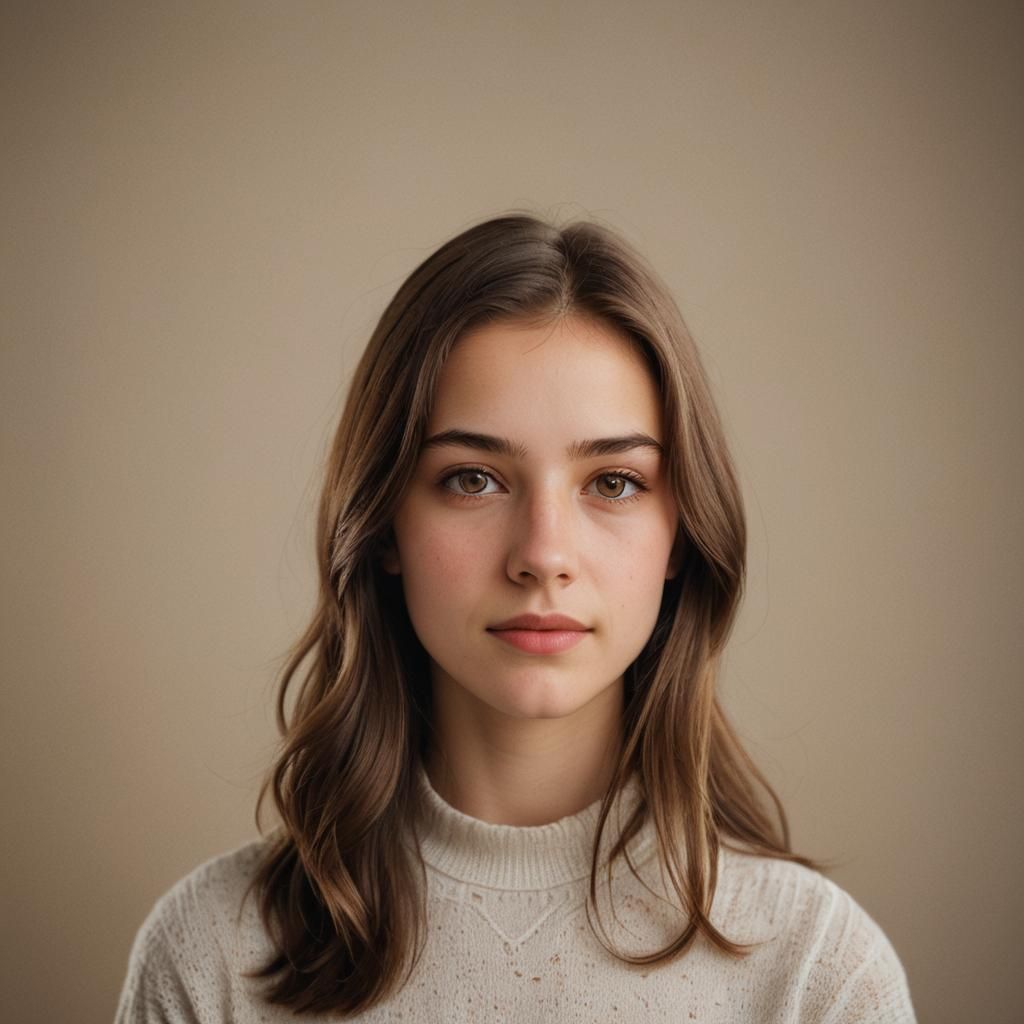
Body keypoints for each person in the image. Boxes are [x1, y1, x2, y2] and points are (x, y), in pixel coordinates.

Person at [115, 213, 917, 1022]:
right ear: (385, 522)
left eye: (613, 482)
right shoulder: (214, 954)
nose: (543, 554)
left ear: (682, 533)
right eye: (473, 479)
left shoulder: (816, 971)